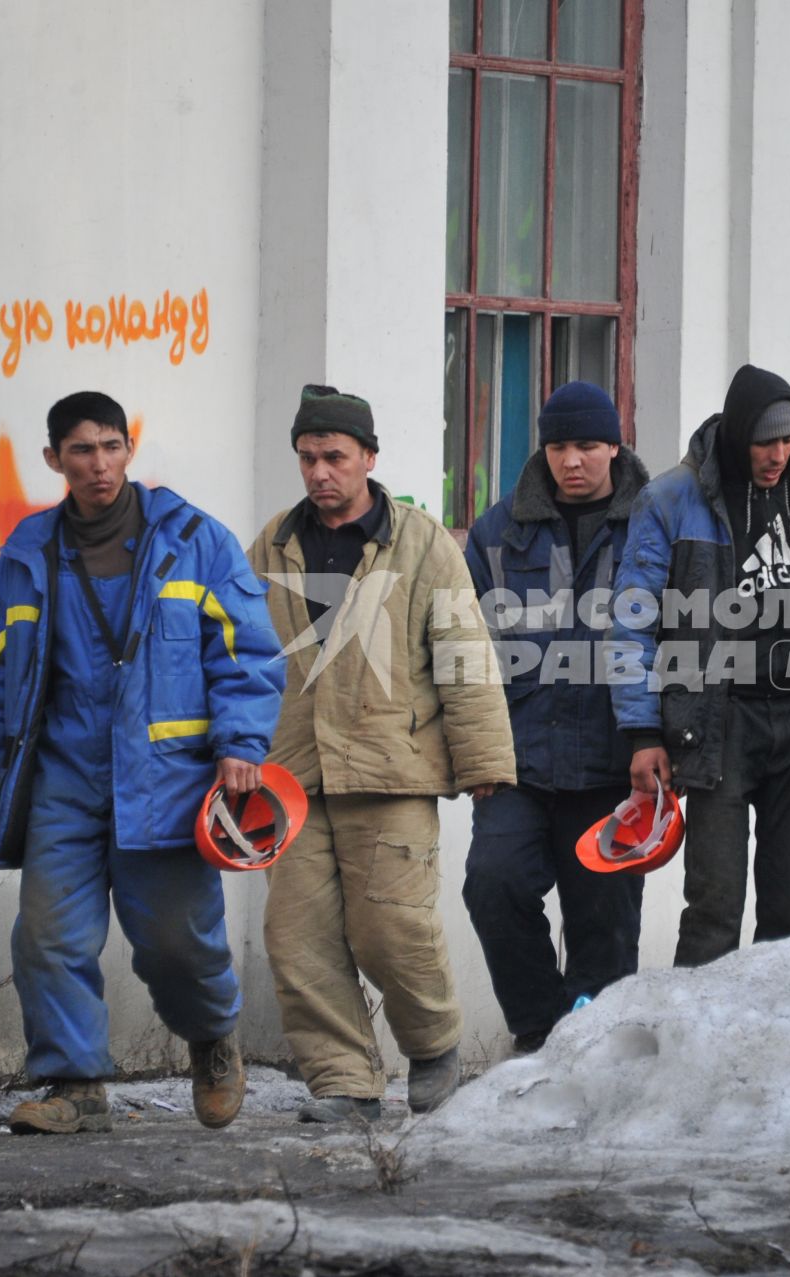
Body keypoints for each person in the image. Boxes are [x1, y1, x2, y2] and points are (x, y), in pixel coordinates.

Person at [0, 390, 285, 1136]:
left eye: (110, 446)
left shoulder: (196, 539)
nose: (98, 464)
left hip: (165, 779)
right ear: (54, 461)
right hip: (63, 776)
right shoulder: (23, 556)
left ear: (129, 450)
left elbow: (247, 653)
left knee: (175, 943)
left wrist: (240, 744)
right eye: (81, 450)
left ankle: (211, 1039)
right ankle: (75, 1085)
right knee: (47, 936)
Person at [248, 384, 514, 1123]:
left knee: (392, 927)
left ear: (368, 457)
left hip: (392, 766)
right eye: (307, 457)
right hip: (292, 774)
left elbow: (464, 651)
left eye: (334, 456)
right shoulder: (270, 544)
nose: (319, 472)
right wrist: (230, 752)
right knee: (297, 936)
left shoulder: (424, 542)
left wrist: (484, 758)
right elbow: (235, 657)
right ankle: (344, 1081)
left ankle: (432, 1047)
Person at [611, 363, 790, 966]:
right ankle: (695, 1051)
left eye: (788, 440)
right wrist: (644, 732)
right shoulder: (672, 497)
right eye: (764, 441)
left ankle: (776, 1053)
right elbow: (632, 619)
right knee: (713, 909)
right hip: (717, 722)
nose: (777, 455)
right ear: (737, 435)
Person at [462, 382, 650, 1054]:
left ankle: (594, 1051)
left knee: (606, 919)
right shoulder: (497, 530)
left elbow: (684, 635)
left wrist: (662, 741)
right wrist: (472, 748)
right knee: (493, 883)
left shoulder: (650, 525)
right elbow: (460, 643)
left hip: (614, 762)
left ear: (613, 445)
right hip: (518, 757)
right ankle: (541, 1030)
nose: (572, 460)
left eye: (588, 445)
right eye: (559, 445)